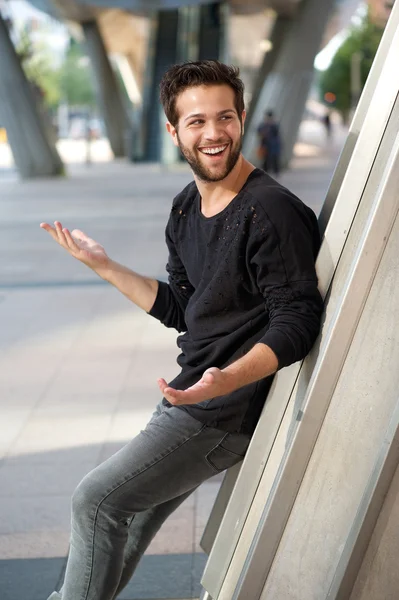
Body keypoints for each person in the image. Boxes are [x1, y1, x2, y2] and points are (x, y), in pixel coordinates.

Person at [40, 60, 323, 600]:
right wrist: (106, 266)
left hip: (222, 411)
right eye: (196, 122)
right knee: (126, 517)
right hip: (194, 396)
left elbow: (297, 319)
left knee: (96, 500)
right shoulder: (184, 209)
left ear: (241, 119)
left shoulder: (271, 212)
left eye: (224, 118)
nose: (213, 133)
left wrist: (227, 378)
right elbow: (185, 309)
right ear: (174, 131)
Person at [257, 110, 282, 175]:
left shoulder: (274, 125)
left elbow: (276, 133)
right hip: (265, 146)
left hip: (273, 146)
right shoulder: (263, 125)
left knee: (274, 159)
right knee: (265, 159)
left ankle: (276, 172)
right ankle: (266, 172)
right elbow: (259, 132)